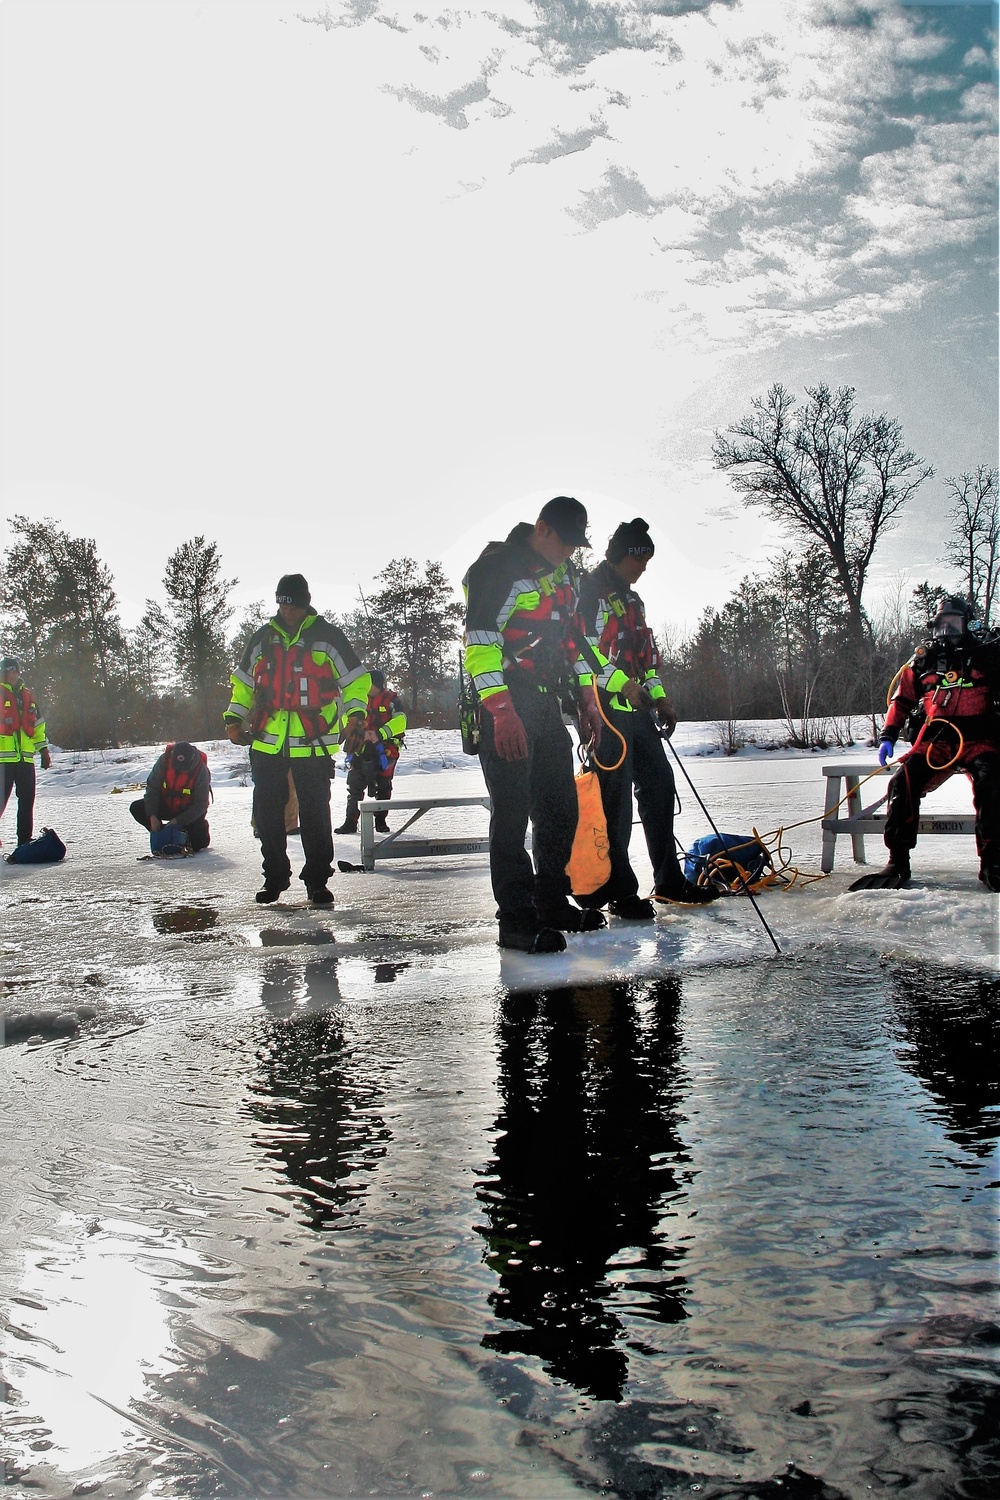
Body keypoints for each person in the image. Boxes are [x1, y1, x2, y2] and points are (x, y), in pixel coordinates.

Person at [464, 496, 618, 954]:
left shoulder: (565, 576)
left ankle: (550, 900)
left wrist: (589, 703)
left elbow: (575, 643)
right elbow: (481, 645)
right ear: (542, 527)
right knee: (511, 814)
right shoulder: (498, 569)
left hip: (548, 703)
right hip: (505, 701)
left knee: (560, 808)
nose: (570, 552)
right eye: (565, 541)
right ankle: (515, 920)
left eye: (577, 545)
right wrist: (502, 712)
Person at [578, 519, 718, 917]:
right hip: (604, 714)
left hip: (639, 715)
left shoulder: (634, 601)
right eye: (641, 560)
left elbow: (647, 660)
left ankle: (669, 879)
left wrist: (660, 698)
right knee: (614, 807)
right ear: (624, 556)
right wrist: (623, 686)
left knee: (659, 789)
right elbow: (585, 652)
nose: (644, 568)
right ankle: (621, 893)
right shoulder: (591, 593)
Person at [224, 574, 370, 905]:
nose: (287, 612)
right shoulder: (262, 639)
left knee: (316, 814)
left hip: (313, 744)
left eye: (293, 606)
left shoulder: (328, 637)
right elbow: (244, 684)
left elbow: (356, 682)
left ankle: (317, 881)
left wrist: (356, 718)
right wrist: (233, 719)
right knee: (267, 815)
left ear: (305, 604)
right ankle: (275, 877)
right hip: (266, 743)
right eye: (282, 605)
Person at [850, 595, 1000, 892]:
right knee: (901, 784)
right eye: (941, 625)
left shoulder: (987, 654)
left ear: (967, 623)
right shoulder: (924, 660)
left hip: (979, 740)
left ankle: (993, 862)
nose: (947, 632)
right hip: (936, 742)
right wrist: (888, 736)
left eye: (953, 624)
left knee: (993, 784)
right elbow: (902, 699)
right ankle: (898, 859)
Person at [335, 670, 407, 835]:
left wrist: (379, 734)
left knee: (383, 785)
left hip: (385, 749)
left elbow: (401, 721)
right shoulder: (359, 700)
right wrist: (360, 733)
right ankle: (350, 821)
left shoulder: (392, 700)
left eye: (370, 684)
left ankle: (380, 821)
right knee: (354, 785)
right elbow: (348, 719)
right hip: (361, 747)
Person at [0, 657, 50, 849]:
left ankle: (24, 842)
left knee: (27, 801)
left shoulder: (29, 696)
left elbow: (38, 726)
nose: (11, 674)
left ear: (19, 672)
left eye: (14, 671)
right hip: (3, 760)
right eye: (7, 671)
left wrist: (43, 750)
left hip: (25, 759)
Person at [129, 741, 212, 853]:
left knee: (198, 844)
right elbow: (152, 789)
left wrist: (178, 821)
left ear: (192, 758)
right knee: (136, 808)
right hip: (167, 805)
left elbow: (201, 805)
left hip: (188, 811)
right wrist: (152, 815)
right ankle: (162, 833)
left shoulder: (201, 770)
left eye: (184, 767)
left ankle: (182, 834)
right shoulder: (164, 762)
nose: (180, 769)